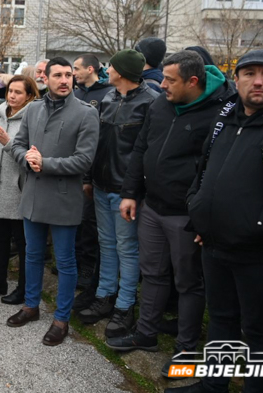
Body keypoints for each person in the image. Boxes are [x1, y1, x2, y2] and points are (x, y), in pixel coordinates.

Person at [166, 50, 263, 393]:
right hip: (214, 244)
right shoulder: (226, 117)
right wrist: (198, 211)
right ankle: (214, 385)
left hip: (261, 252)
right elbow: (204, 170)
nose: (258, 81)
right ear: (237, 79)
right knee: (221, 319)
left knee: (259, 331)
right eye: (250, 73)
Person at [108, 51, 235, 374]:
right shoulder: (161, 105)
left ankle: (186, 350)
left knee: (188, 283)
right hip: (152, 206)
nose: (161, 84)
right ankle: (146, 333)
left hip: (185, 216)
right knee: (152, 274)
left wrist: (202, 216)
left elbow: (218, 170)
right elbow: (141, 148)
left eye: (170, 80)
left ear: (192, 82)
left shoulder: (221, 112)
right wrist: (130, 193)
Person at [6, 57, 99, 348]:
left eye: (68, 75)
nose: (64, 80)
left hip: (63, 198)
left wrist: (45, 163)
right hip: (33, 195)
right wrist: (27, 159)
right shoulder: (33, 109)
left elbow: (84, 160)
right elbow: (17, 145)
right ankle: (31, 306)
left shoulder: (86, 113)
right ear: (45, 78)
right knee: (32, 255)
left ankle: (61, 319)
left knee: (66, 261)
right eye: (58, 75)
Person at [77, 50, 157, 339]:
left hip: (126, 192)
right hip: (101, 185)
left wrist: (133, 191)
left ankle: (125, 306)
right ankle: (105, 295)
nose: (106, 70)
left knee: (126, 248)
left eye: (111, 67)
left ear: (121, 72)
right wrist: (89, 178)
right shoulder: (109, 98)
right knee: (107, 244)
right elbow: (97, 143)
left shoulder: (150, 102)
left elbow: (146, 153)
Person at [0, 75, 39, 303]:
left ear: (29, 96)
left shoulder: (33, 119)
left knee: (22, 243)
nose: (12, 95)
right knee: (0, 238)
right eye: (10, 91)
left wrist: (9, 144)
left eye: (18, 92)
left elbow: (30, 158)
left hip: (19, 190)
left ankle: (23, 288)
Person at [72, 53, 113, 308]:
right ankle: (73, 262)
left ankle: (87, 267)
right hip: (71, 167)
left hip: (94, 168)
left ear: (90, 69)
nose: (73, 73)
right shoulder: (75, 94)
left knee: (89, 221)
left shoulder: (107, 94)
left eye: (76, 68)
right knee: (74, 218)